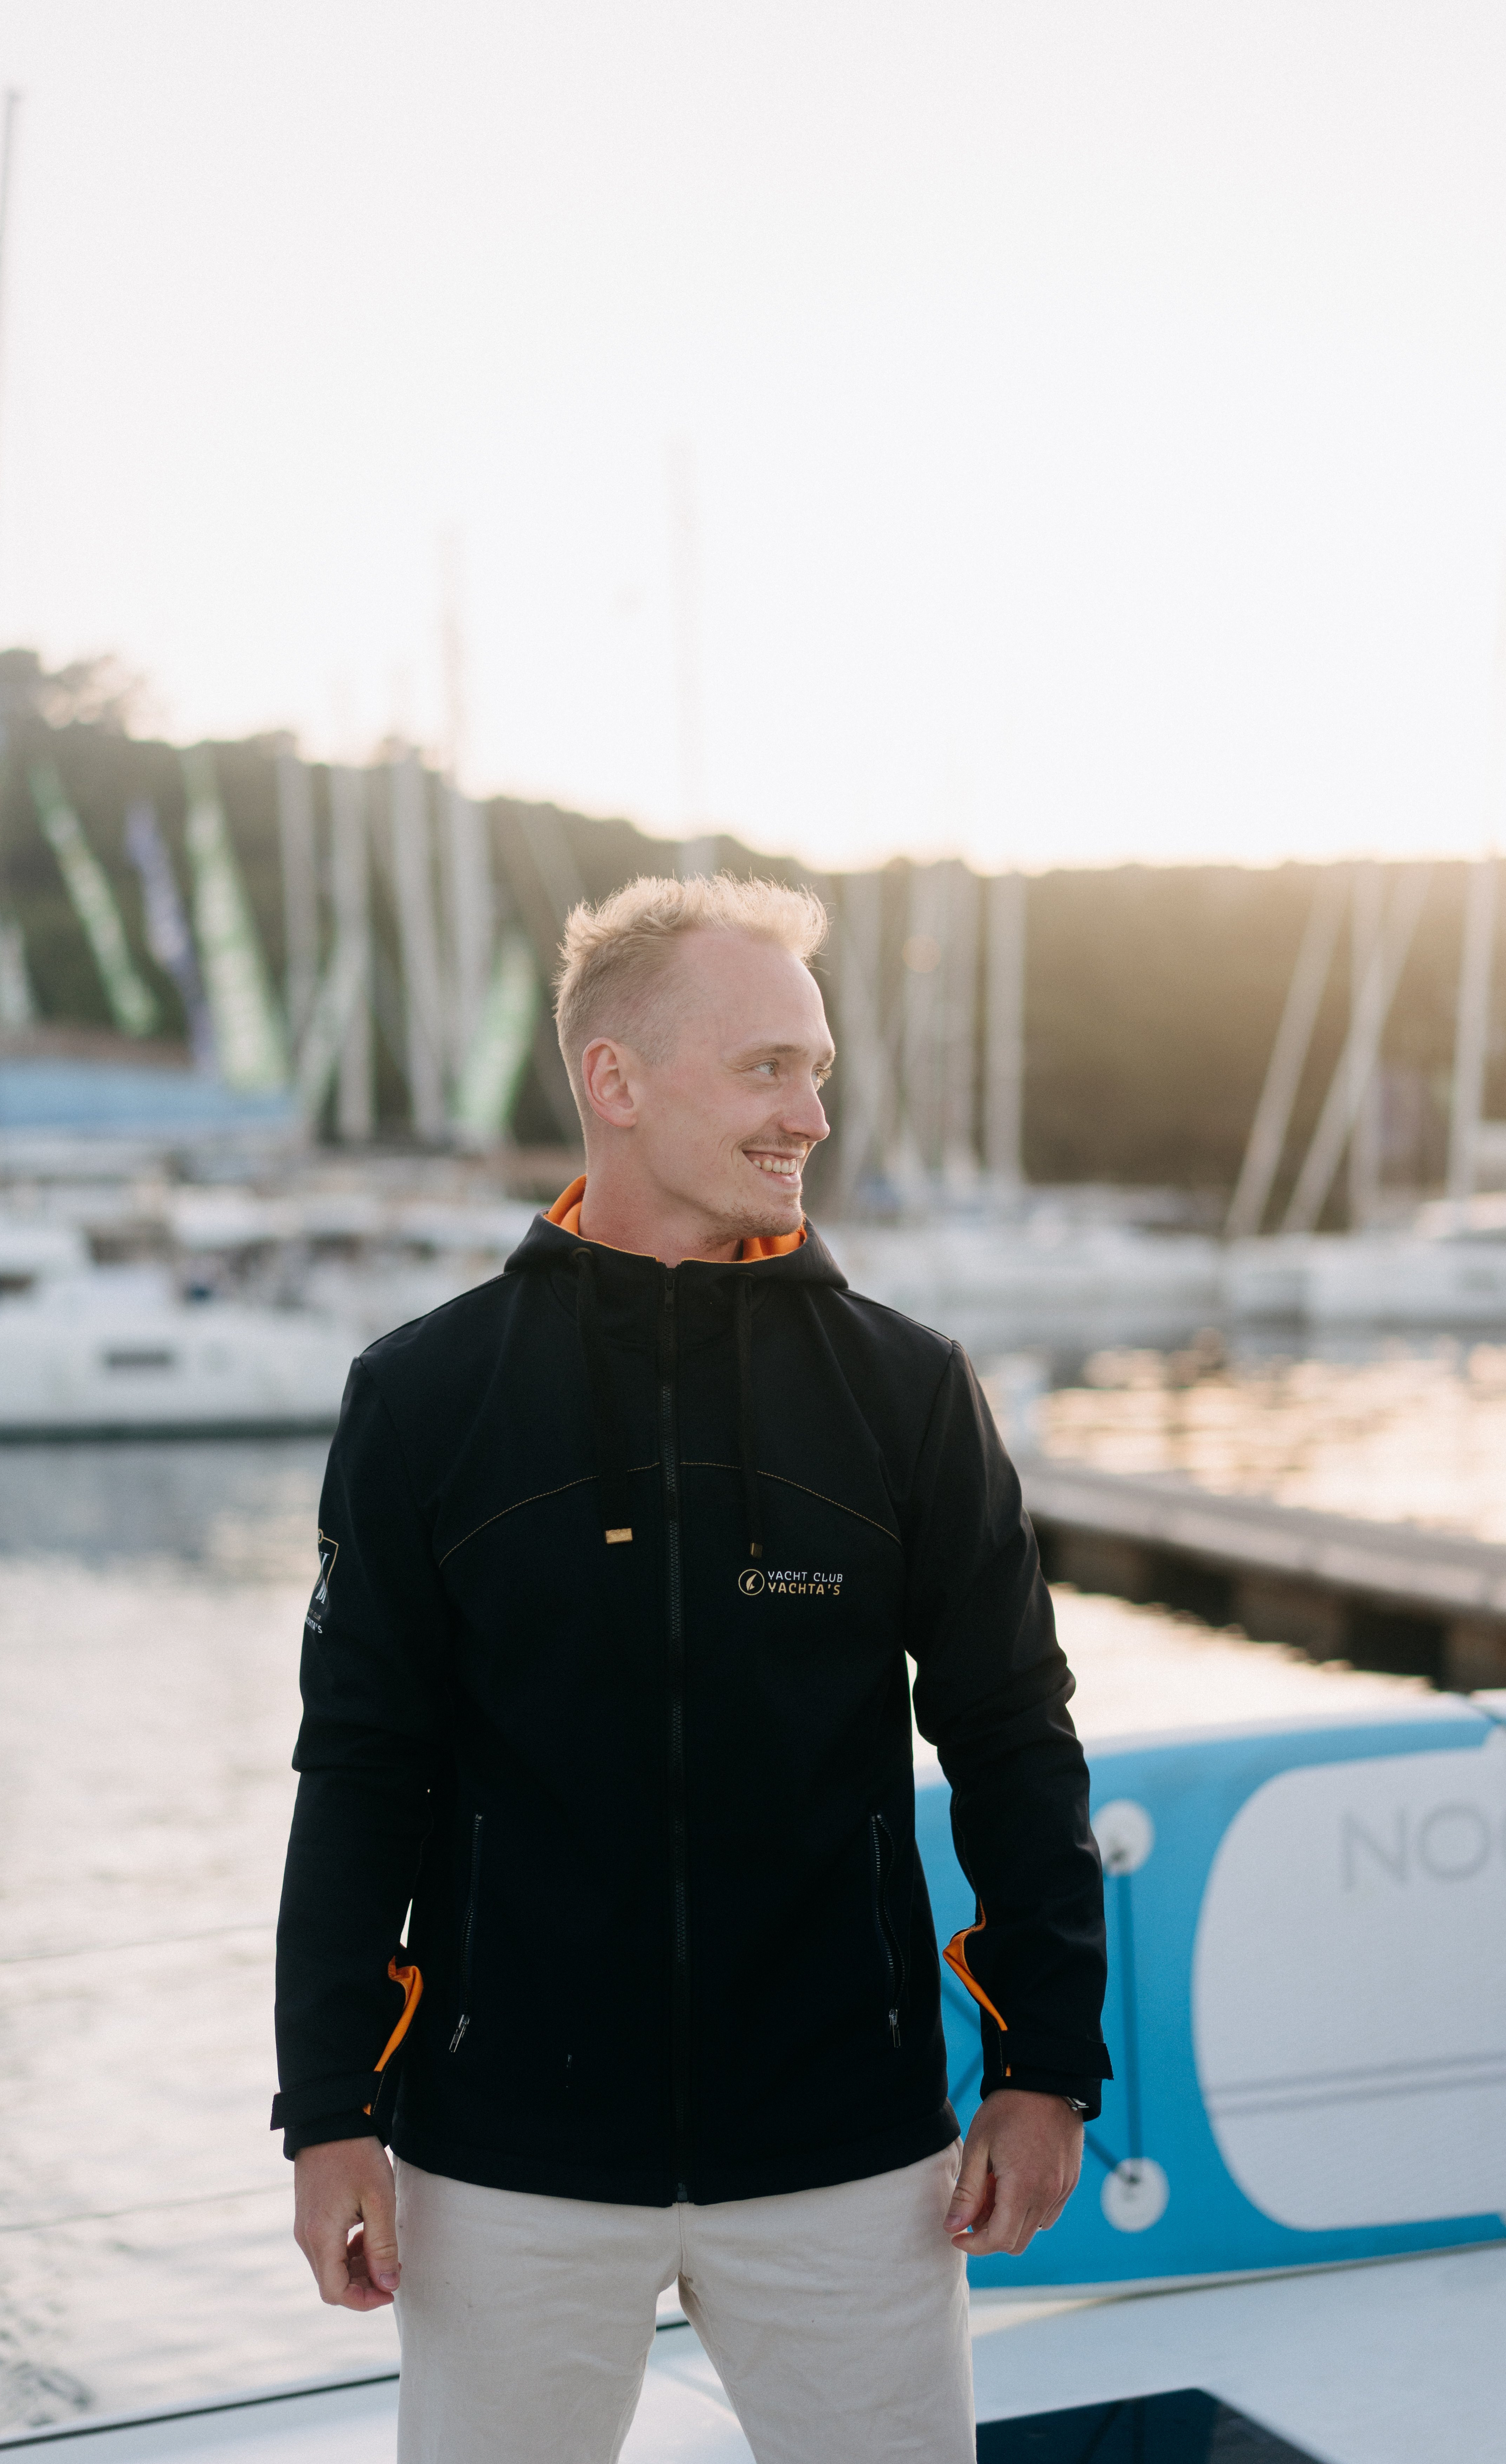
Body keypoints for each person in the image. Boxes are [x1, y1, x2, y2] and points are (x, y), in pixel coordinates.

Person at [273, 873, 1110, 2464]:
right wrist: (329, 2110)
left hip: (847, 2154)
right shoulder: (427, 1397)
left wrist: (1047, 2066)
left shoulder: (907, 1391)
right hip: (507, 2160)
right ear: (616, 1079)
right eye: (765, 1068)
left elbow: (1013, 1735)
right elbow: (362, 1769)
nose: (810, 1115)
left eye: (817, 1070)